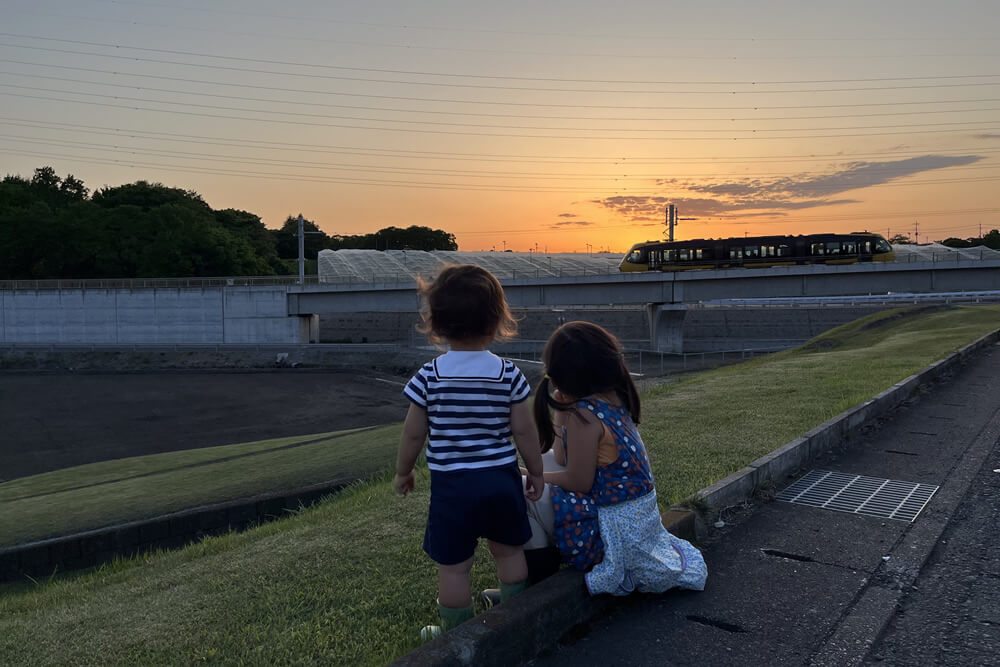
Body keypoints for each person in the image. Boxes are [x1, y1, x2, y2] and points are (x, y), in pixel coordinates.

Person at [394, 264, 545, 641]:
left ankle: (454, 631)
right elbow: (524, 429)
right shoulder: (507, 374)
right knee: (509, 552)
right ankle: (514, 616)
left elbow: (413, 433)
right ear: (496, 321)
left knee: (455, 566)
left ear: (436, 324)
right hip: (500, 480)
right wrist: (537, 471)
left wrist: (404, 471)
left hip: (452, 488)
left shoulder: (430, 376)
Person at [532, 321, 708, 596]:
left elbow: (577, 480)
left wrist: (531, 475)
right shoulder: (614, 399)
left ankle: (533, 583)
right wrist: (562, 411)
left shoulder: (585, 416)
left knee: (523, 489)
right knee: (542, 461)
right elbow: (562, 456)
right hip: (635, 526)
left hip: (611, 536)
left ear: (559, 379)